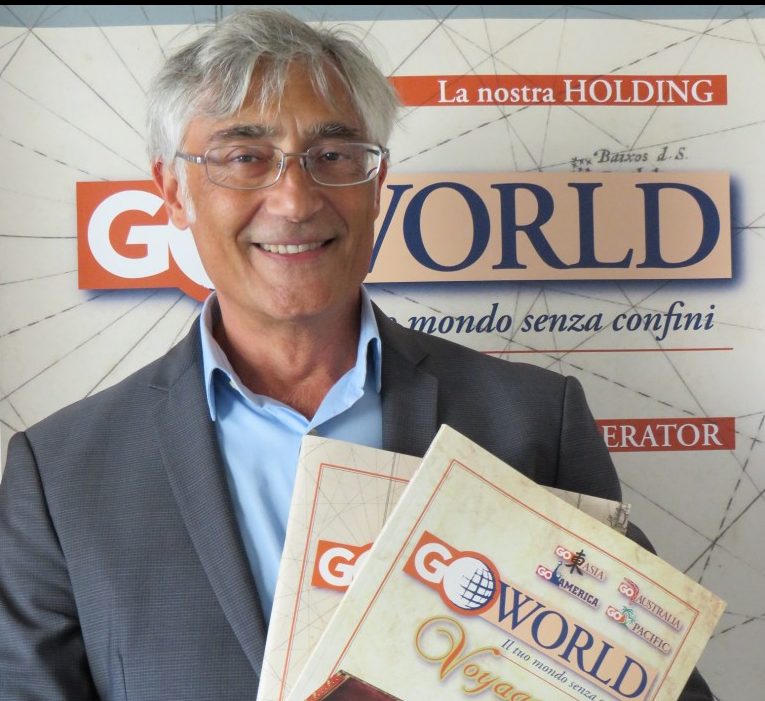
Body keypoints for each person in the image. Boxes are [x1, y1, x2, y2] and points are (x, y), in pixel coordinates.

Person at [0, 9, 712, 701]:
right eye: (245, 156)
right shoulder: (61, 475)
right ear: (172, 191)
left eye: (332, 156)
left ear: (377, 185)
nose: (294, 198)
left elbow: (655, 683)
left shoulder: (530, 420)